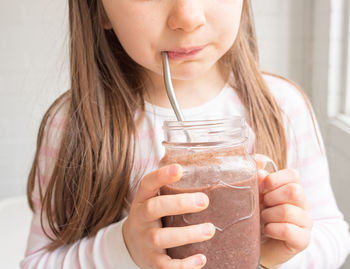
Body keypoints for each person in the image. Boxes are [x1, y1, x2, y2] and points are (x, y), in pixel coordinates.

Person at [21, 0, 350, 268]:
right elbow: (37, 263)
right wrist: (124, 248)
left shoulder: (283, 108)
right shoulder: (75, 125)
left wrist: (275, 253)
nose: (188, 17)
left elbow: (334, 235)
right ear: (99, 10)